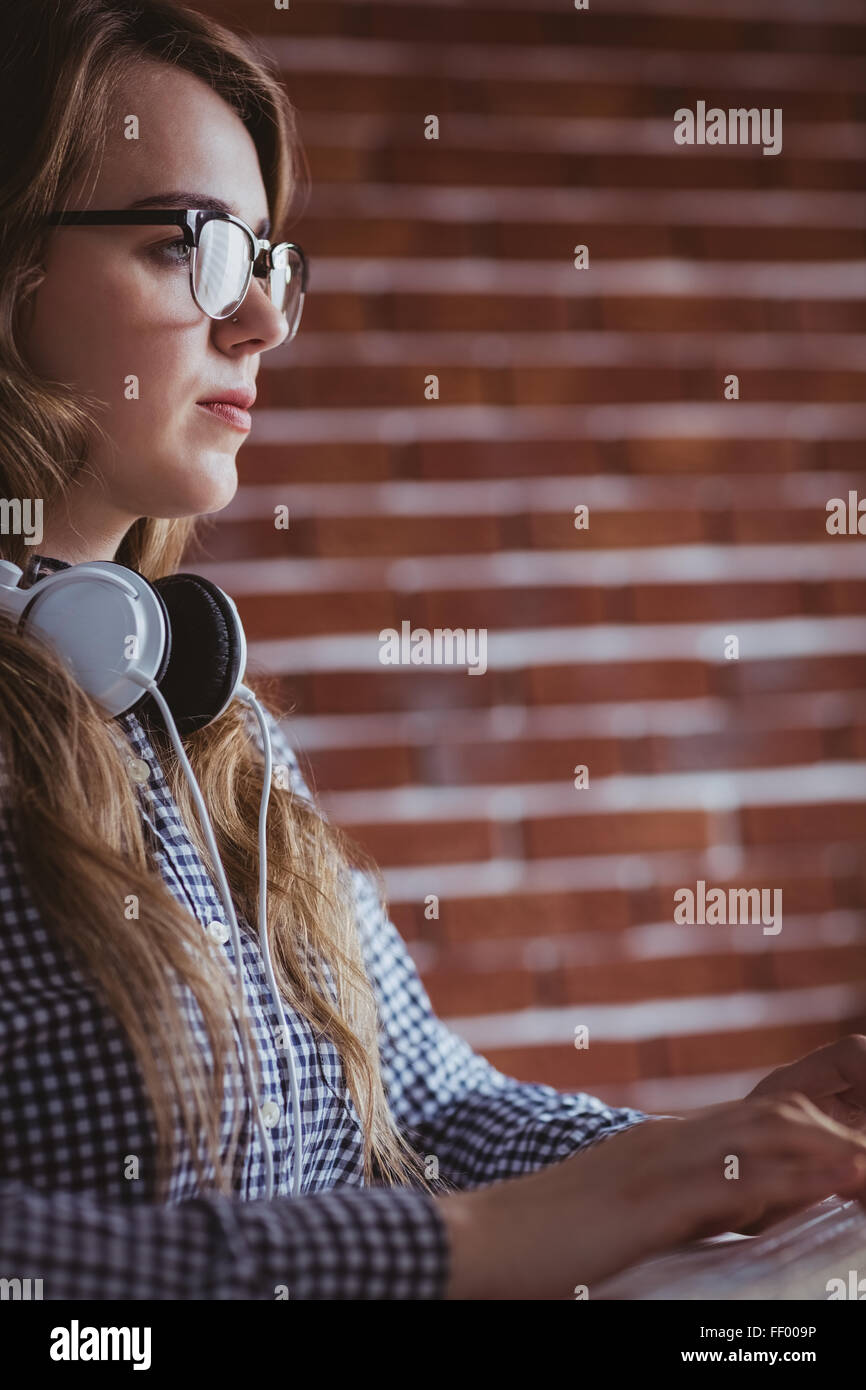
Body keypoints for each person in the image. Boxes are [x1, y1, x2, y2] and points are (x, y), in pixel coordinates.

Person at [0, 0, 864, 1302]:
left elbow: (423, 1108)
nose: (262, 324)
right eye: (195, 246)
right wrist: (471, 1249)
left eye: (268, 260)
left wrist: (706, 1157)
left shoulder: (199, 718)